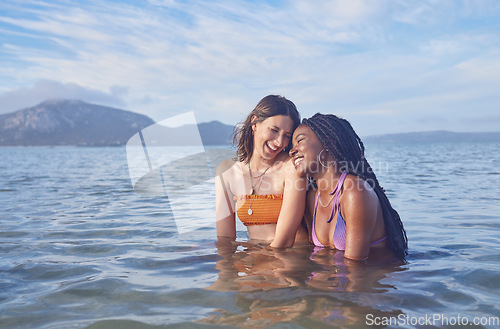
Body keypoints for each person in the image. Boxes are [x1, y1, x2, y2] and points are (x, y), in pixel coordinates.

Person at [289, 113, 408, 261]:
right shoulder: (312, 198)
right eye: (292, 146)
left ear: (328, 143)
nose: (291, 151)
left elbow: (355, 268)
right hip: (337, 279)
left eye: (299, 141)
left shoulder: (355, 192)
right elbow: (314, 255)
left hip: (376, 279)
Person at [215, 95, 308, 248]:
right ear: (254, 123)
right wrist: (227, 268)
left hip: (292, 258)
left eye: (287, 136)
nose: (279, 142)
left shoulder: (291, 167)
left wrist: (252, 264)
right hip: (258, 256)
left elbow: (284, 242)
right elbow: (225, 239)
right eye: (274, 130)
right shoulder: (226, 172)